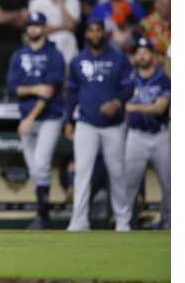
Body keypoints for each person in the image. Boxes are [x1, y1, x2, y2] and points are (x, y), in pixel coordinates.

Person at [64, 18, 136, 231]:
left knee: (117, 173)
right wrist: (68, 120)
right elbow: (71, 94)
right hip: (86, 122)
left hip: (113, 124)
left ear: (105, 33)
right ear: (86, 34)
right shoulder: (78, 60)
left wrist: (117, 102)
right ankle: (79, 220)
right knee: (83, 172)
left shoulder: (118, 57)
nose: (95, 34)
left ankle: (123, 221)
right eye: (91, 31)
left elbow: (129, 87)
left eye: (98, 30)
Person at [6, 12, 66, 230]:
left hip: (49, 117)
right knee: (35, 170)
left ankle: (43, 217)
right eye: (30, 25)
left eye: (37, 25)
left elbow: (48, 92)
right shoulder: (19, 55)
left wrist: (29, 117)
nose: (33, 28)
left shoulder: (54, 54)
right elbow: (12, 88)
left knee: (41, 164)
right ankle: (42, 216)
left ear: (43, 27)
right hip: (27, 118)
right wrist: (34, 88)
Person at [123, 38, 171, 230]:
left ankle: (169, 224)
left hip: (160, 136)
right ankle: (122, 223)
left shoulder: (164, 79)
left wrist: (134, 108)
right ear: (134, 56)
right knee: (128, 183)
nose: (142, 56)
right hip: (136, 136)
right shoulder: (127, 80)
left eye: (146, 52)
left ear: (153, 55)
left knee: (170, 185)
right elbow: (121, 108)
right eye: (138, 52)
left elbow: (160, 108)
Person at [28, 0, 81, 66]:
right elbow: (37, 29)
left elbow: (72, 26)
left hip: (68, 54)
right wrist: (63, 27)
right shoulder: (36, 1)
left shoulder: (73, 1)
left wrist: (61, 3)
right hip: (44, 53)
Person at [139, 0, 170, 64]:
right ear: (156, 4)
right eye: (162, 3)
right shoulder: (146, 23)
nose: (165, 7)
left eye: (168, 3)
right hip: (154, 64)